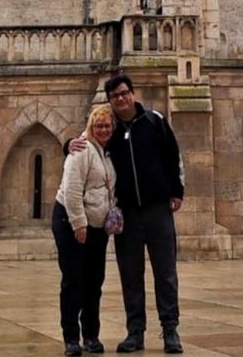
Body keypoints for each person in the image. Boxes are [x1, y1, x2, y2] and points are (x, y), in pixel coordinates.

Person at [70, 75, 184, 354]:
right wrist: (67, 145)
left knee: (165, 273)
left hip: (158, 209)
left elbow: (173, 155)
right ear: (109, 100)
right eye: (114, 96)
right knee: (131, 275)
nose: (120, 99)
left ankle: (170, 331)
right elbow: (88, 144)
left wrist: (177, 190)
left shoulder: (154, 121)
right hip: (127, 213)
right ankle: (136, 333)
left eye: (123, 94)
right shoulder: (109, 129)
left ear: (132, 94)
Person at [52, 105, 115, 356]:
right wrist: (79, 223)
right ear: (91, 126)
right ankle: (71, 339)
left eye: (107, 126)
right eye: (99, 125)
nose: (103, 130)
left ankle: (91, 335)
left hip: (97, 226)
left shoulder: (108, 152)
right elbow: (72, 189)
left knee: (94, 282)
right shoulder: (82, 148)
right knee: (73, 281)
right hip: (72, 223)